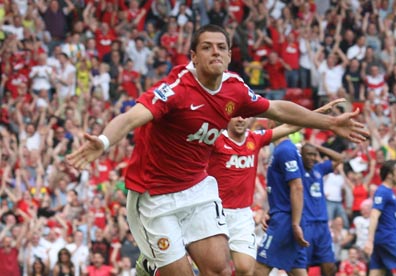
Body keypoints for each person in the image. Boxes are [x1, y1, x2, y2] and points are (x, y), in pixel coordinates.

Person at [67, 24, 368, 276]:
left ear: (228, 55)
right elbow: (132, 117)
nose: (216, 52)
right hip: (154, 195)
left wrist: (329, 123)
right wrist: (104, 142)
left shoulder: (234, 88)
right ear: (193, 56)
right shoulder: (175, 90)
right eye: (208, 47)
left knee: (221, 270)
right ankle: (150, 265)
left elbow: (275, 108)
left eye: (221, 47)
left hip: (197, 188)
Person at [207, 99, 345, 276]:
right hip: (217, 213)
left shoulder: (255, 139)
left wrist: (317, 113)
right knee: (217, 268)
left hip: (242, 215)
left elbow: (289, 127)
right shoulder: (216, 140)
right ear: (227, 119)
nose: (241, 119)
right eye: (235, 116)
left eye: (244, 116)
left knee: (247, 269)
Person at [254, 128, 310, 276]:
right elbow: (281, 189)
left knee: (258, 270)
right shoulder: (281, 150)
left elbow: (297, 187)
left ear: (272, 122)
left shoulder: (285, 150)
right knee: (297, 271)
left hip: (285, 221)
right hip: (282, 215)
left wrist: (294, 223)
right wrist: (270, 211)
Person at [300, 142, 345, 276]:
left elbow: (339, 158)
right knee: (303, 267)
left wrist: (317, 147)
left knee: (330, 267)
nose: (312, 157)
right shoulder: (297, 171)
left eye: (314, 155)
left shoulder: (319, 169)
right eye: (308, 154)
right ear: (301, 155)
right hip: (306, 224)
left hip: (323, 226)